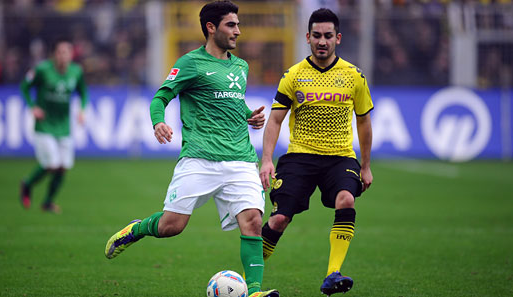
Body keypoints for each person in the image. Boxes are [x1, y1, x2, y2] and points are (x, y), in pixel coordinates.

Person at [104, 1, 279, 296]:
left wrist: (249, 114)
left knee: (252, 221)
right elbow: (160, 97)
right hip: (200, 158)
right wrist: (158, 122)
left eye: (237, 24)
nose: (238, 31)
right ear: (211, 28)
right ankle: (135, 230)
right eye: (231, 25)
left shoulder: (241, 65)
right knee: (172, 225)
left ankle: (255, 291)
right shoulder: (190, 63)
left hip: (240, 158)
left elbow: (231, 103)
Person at [259, 8, 374, 296]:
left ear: (338, 38)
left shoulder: (353, 76)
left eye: (328, 36)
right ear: (308, 37)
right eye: (317, 36)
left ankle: (332, 274)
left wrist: (366, 166)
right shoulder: (294, 75)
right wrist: (266, 159)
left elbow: (363, 121)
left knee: (346, 199)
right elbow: (275, 120)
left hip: (340, 157)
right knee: (279, 219)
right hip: (300, 157)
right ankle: (250, 275)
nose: (322, 42)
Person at [19, 38, 88, 214]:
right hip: (45, 124)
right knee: (52, 164)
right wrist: (32, 106)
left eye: (67, 52)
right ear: (54, 54)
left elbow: (83, 92)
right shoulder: (42, 70)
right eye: (60, 52)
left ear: (71, 55)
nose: (64, 56)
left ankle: (48, 202)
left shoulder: (76, 71)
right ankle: (27, 184)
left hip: (64, 125)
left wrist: (82, 109)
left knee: (63, 166)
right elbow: (25, 86)